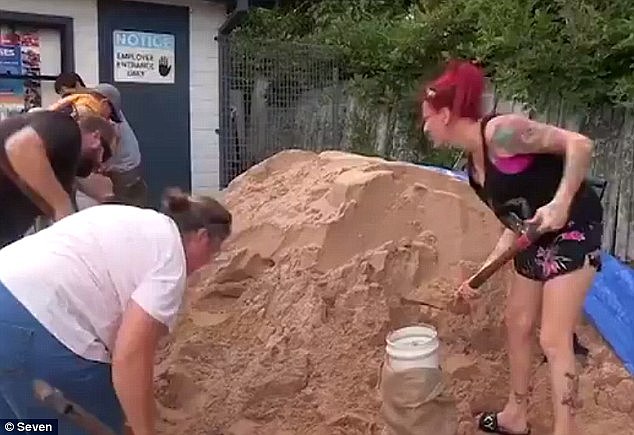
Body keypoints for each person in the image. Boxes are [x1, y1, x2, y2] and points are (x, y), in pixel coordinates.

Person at [420, 60, 603, 435]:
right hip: (537, 234)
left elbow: (579, 144)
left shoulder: (501, 135)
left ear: (445, 114)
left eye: (427, 118)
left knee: (552, 336)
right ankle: (516, 416)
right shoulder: (475, 170)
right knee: (516, 321)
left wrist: (560, 202)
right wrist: (477, 278)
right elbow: (514, 228)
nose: (425, 127)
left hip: (574, 226)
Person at [0, 188, 232, 435]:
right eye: (213, 253)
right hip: (37, 323)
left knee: (21, 427)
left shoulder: (135, 221)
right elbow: (130, 356)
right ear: (202, 237)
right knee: (99, 421)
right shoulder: (170, 256)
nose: (208, 264)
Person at [0, 110, 116, 248]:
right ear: (96, 137)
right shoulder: (67, 128)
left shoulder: (60, 172)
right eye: (106, 154)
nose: (101, 164)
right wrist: (61, 204)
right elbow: (19, 146)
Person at [85, 83, 147, 207]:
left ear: (106, 103)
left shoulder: (112, 122)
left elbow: (111, 145)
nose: (90, 105)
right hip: (126, 171)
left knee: (124, 208)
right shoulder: (113, 116)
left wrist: (100, 165)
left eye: (94, 101)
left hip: (125, 173)